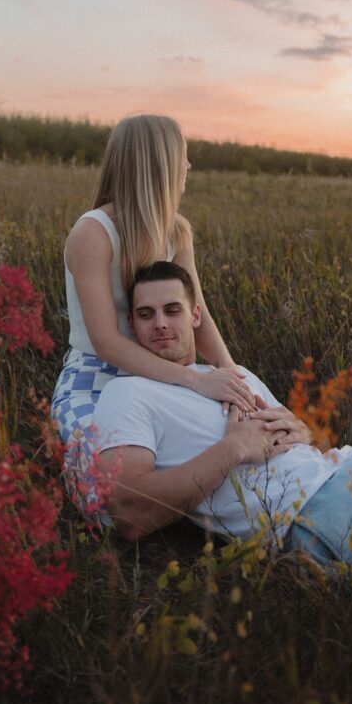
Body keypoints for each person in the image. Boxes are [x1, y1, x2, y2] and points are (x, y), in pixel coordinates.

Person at [92, 262, 352, 565]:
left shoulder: (231, 375)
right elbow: (131, 512)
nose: (161, 324)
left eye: (172, 310)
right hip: (314, 511)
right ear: (132, 323)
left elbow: (297, 444)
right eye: (146, 315)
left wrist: (304, 432)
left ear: (196, 314)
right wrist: (232, 449)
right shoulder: (127, 394)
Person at [51, 116, 256, 476]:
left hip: (162, 374)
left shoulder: (175, 232)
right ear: (159, 166)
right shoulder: (93, 233)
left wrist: (230, 375)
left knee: (227, 461)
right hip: (95, 380)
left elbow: (198, 312)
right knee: (111, 490)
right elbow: (105, 342)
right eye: (183, 157)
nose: (188, 167)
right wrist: (196, 380)